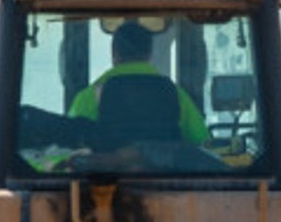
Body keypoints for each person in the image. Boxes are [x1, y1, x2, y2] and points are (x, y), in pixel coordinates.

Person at [68, 20, 209, 144]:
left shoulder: (89, 97)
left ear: (114, 53)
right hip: (164, 174)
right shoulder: (176, 95)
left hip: (107, 174)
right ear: (149, 54)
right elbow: (202, 142)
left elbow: (68, 146)